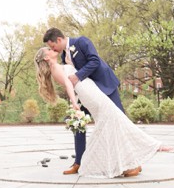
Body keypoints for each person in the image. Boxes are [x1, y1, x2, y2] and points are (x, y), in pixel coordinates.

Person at [34, 45, 172, 179]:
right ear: (46, 57)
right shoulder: (55, 68)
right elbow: (69, 83)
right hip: (89, 93)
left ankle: (131, 162)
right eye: (49, 50)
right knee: (116, 119)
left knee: (113, 122)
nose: (52, 49)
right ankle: (153, 146)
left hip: (91, 90)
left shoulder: (60, 65)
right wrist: (74, 102)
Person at [43, 28, 122, 174]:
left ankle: (131, 162)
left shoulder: (82, 42)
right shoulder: (64, 56)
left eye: (53, 46)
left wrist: (78, 75)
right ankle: (79, 162)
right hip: (85, 94)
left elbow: (94, 61)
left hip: (104, 87)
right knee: (78, 124)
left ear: (59, 40)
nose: (52, 49)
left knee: (119, 121)